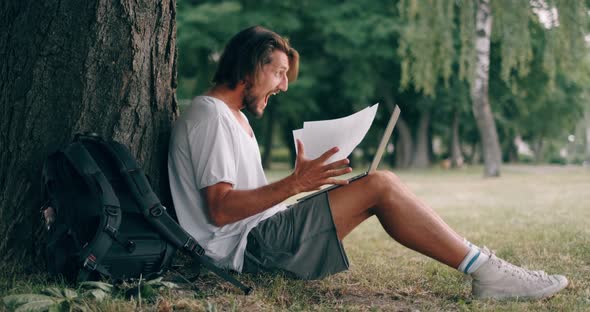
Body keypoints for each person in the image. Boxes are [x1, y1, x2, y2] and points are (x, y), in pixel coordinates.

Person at [168, 25, 568, 300]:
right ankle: (489, 272)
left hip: (257, 236)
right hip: (244, 251)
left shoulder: (232, 117)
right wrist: (294, 185)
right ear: (250, 66)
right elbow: (220, 210)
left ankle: (486, 265)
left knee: (374, 184)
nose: (284, 86)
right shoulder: (210, 115)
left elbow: (240, 199)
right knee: (380, 185)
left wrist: (300, 185)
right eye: (278, 73)